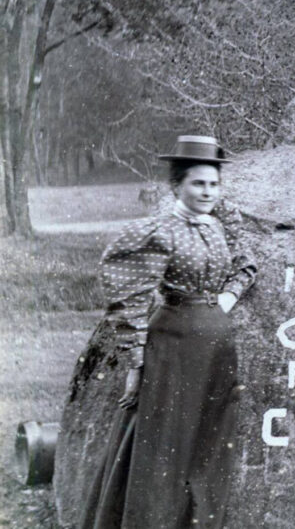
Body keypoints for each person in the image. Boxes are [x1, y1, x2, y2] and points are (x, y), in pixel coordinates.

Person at [79, 135, 257, 529]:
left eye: (214, 184)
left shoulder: (220, 226)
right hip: (173, 346)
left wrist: (225, 299)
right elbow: (129, 294)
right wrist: (135, 362)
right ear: (177, 185)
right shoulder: (159, 230)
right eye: (198, 183)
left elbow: (246, 265)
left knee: (206, 444)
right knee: (164, 445)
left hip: (216, 349)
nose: (207, 192)